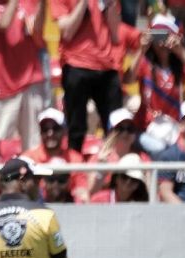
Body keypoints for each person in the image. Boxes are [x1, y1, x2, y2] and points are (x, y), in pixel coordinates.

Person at [51, 0, 123, 152]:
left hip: (107, 66)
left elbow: (116, 36)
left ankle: (115, 171)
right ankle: (74, 171)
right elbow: (67, 32)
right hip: (76, 65)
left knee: (115, 126)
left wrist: (110, 6)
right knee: (76, 128)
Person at [0, 0, 48, 151]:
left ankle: (33, 176)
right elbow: (3, 25)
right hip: (2, 87)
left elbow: (37, 31)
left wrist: (43, 3)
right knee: (0, 143)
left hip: (31, 82)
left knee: (35, 145)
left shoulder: (29, 3)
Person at [131, 14, 185, 129]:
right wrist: (141, 49)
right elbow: (128, 80)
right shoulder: (145, 63)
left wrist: (181, 51)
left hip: (174, 126)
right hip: (147, 126)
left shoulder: (181, 66)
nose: (161, 42)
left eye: (165, 36)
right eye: (157, 36)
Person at [22, 108, 83, 203]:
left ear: (64, 131)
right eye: (45, 129)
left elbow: (81, 190)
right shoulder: (28, 159)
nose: (50, 134)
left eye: (55, 129)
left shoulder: (75, 159)